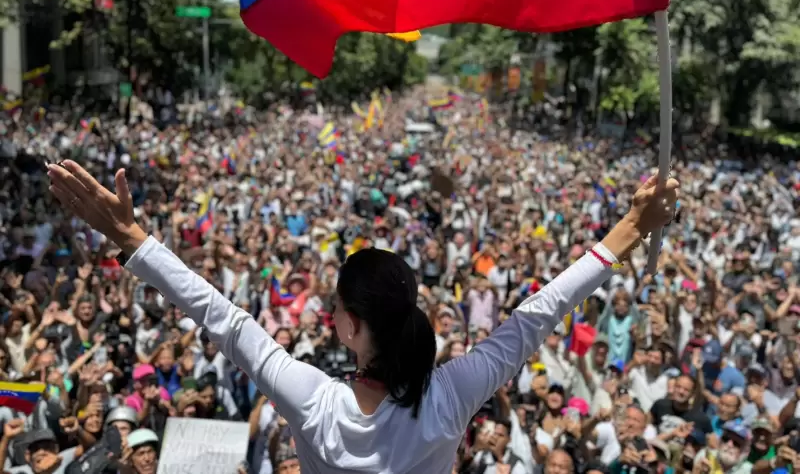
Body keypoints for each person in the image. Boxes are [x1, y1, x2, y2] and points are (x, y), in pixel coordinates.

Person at [46, 160, 678, 474]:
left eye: (336, 308)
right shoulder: (451, 397)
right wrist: (628, 228)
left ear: (348, 325)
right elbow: (538, 315)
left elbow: (227, 320)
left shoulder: (313, 403)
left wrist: (132, 237)